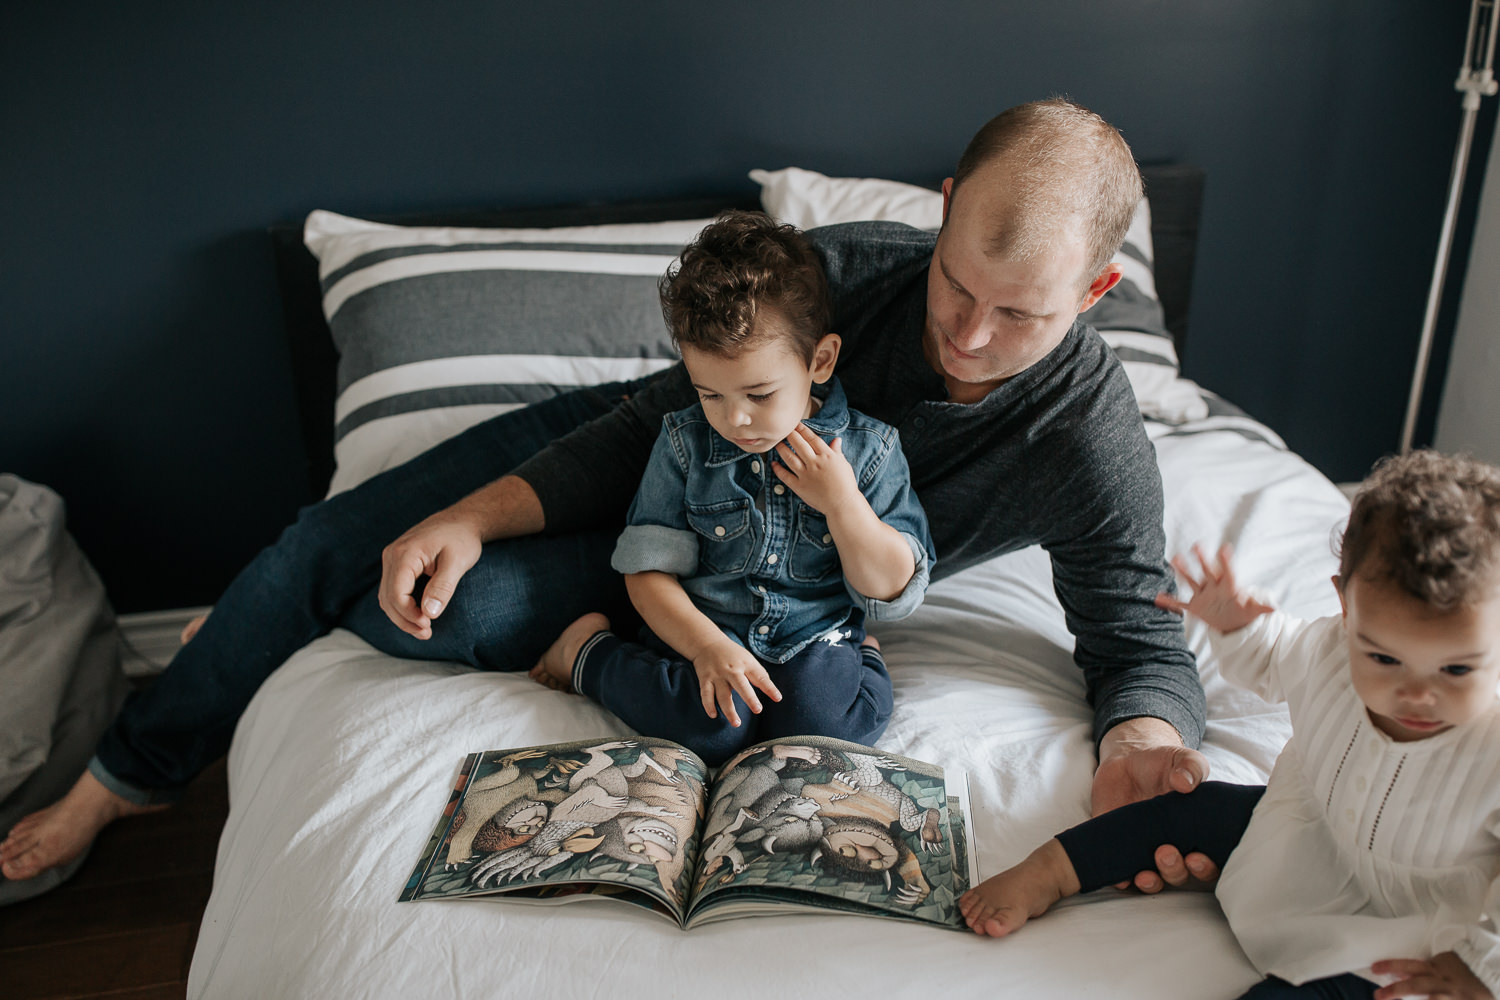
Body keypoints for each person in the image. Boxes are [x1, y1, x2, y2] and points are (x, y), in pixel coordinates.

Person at [1, 98, 1208, 889]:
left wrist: (1146, 736)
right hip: (639, 453)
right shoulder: (845, 279)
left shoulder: (1093, 439)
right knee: (345, 542)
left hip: (737, 589)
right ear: (943, 212)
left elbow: (1134, 623)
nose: (971, 334)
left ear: (1098, 290)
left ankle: (278, 620)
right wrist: (473, 510)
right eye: (959, 288)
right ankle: (127, 775)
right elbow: (647, 421)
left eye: (1022, 315)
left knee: (453, 615)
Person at [958, 450, 1500, 1000]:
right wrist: (1238, 624)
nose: (1416, 693)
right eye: (1383, 658)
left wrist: (1484, 968)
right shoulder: (1330, 648)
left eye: (1457, 669)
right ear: (1344, 605)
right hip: (1308, 839)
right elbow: (1272, 654)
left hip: (1417, 931)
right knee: (1184, 810)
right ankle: (1051, 869)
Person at [527, 212, 933, 766]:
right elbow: (647, 574)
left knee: (820, 733)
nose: (734, 420)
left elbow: (893, 591)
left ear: (820, 361)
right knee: (711, 732)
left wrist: (842, 503)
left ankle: (866, 656)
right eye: (710, 395)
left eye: (759, 395)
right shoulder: (684, 444)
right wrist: (707, 647)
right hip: (703, 630)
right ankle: (587, 653)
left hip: (812, 638)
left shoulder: (871, 450)